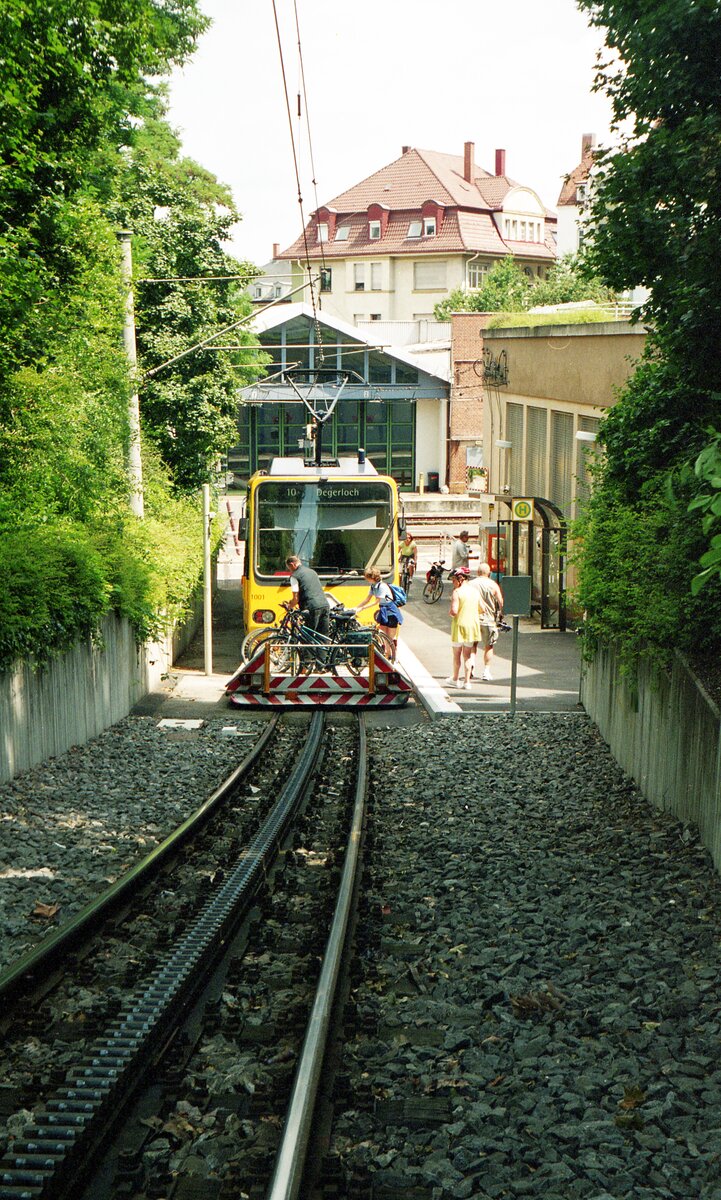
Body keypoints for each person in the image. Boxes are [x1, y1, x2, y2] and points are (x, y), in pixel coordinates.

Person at [445, 566, 481, 690]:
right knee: (468, 655)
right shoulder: (475, 592)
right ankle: (467, 682)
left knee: (456, 654)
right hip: (472, 625)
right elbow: (483, 609)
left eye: (454, 580)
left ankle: (455, 679)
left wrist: (450, 613)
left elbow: (454, 611)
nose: (453, 583)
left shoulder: (457, 592)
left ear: (461, 579)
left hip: (459, 626)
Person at [355, 566, 403, 657]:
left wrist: (362, 608)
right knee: (383, 633)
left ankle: (392, 655)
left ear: (372, 577)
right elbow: (367, 599)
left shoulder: (382, 587)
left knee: (390, 636)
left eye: (367, 577)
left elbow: (376, 601)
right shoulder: (373, 586)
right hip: (383, 610)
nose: (366, 579)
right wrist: (355, 607)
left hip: (391, 611)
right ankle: (387, 653)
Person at [469, 561, 504, 681]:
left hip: (473, 619)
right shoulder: (493, 585)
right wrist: (501, 615)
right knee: (489, 646)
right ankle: (486, 671)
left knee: (472, 644)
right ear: (489, 573)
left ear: (478, 572)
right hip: (488, 619)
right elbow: (501, 602)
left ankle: (471, 667)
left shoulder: (470, 584)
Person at [285, 555, 330, 639]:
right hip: (324, 605)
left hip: (312, 607)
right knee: (323, 637)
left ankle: (308, 652)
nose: (290, 571)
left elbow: (295, 598)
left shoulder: (295, 576)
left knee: (308, 637)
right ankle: (323, 652)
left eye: (289, 568)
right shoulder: (312, 572)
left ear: (292, 565)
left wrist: (289, 606)